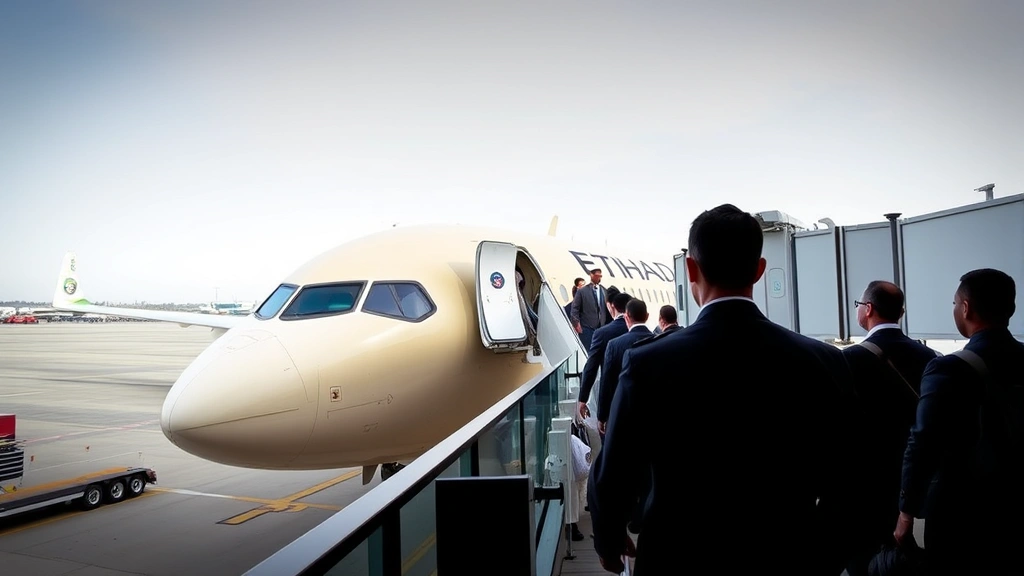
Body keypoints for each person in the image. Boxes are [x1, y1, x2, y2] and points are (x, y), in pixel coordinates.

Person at [588, 203, 858, 575]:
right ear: (760, 271)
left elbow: (614, 472)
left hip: (677, 556)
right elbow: (848, 481)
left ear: (691, 268)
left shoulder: (648, 363)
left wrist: (607, 539)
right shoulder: (823, 361)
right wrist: (821, 556)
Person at [896, 268, 1024, 575]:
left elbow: (923, 441)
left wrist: (906, 512)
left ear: (965, 308)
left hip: (964, 510)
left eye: (955, 303)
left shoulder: (948, 368)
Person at [840, 281, 939, 575]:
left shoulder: (849, 360)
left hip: (864, 484)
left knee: (863, 560)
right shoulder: (930, 358)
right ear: (901, 312)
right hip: (912, 480)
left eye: (859, 304)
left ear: (867, 309)